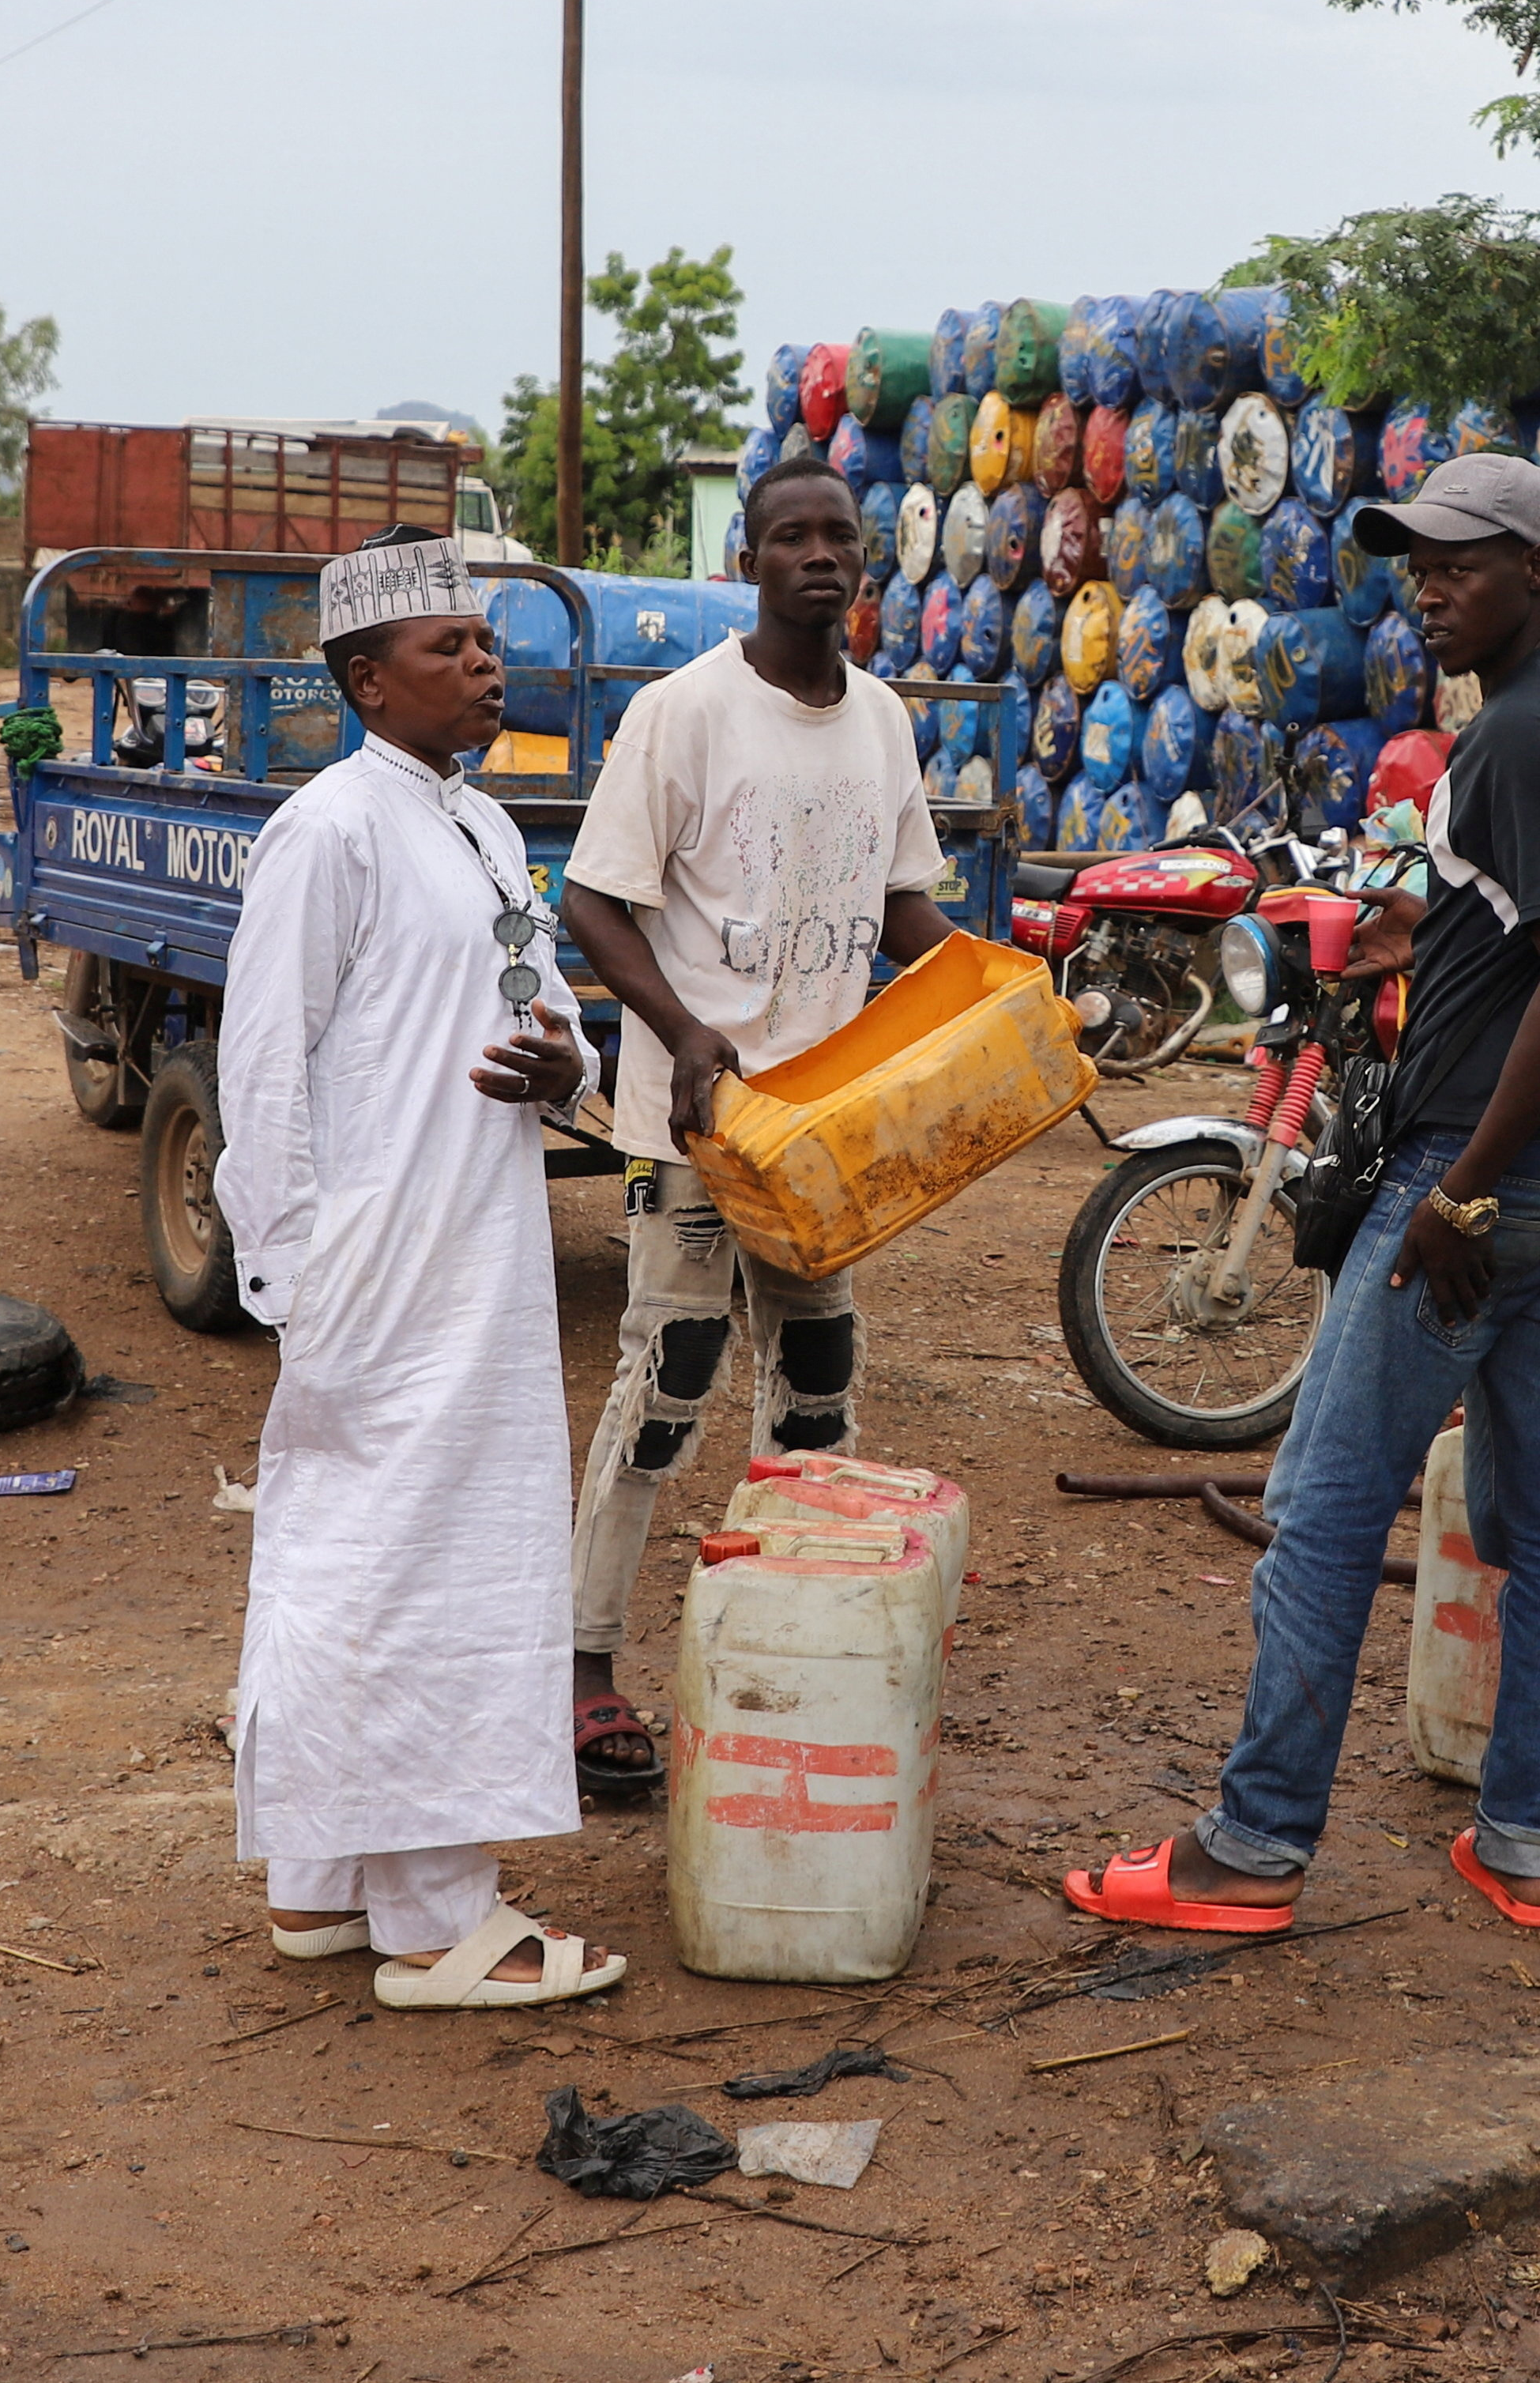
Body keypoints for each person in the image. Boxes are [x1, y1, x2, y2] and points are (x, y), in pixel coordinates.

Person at [1060, 451, 1540, 1937]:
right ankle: (1527, 1840)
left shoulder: (1520, 734)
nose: (1428, 587)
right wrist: (1458, 921)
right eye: (1415, 561)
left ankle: (1252, 1848)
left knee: (1323, 1504)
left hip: (1476, 1177)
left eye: (1460, 561)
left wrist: (1459, 1193)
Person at [214, 528, 624, 2010]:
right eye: (447, 648)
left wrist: (559, 1064)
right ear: (363, 682)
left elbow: (543, 1015)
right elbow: (258, 1062)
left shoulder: (484, 828)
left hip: (476, 1249)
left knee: (362, 1554)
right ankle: (440, 1923)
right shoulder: (330, 829)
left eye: (486, 640)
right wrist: (296, 1270)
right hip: (381, 1266)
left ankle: (325, 1885)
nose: (484, 664)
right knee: (412, 1563)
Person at [557, 457, 953, 1800]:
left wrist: (995, 991)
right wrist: (686, 1038)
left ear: (865, 558)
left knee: (819, 1393)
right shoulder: (686, 715)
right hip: (702, 1127)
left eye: (839, 534)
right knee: (665, 1386)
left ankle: (792, 1631)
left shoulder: (886, 723)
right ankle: (584, 1662)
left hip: (822, 1132)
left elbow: (903, 905)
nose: (819, 555)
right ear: (751, 556)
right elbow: (597, 904)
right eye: (791, 536)